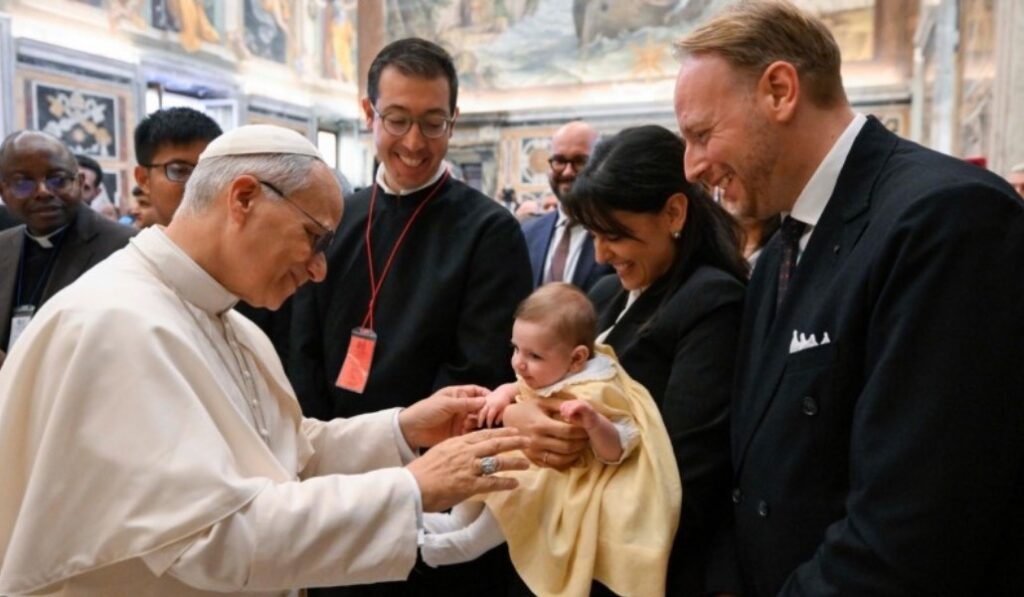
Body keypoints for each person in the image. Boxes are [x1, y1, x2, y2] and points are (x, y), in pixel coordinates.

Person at [0, 124, 531, 596]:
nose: (320, 268)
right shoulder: (116, 324)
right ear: (245, 198)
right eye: (314, 237)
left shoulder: (226, 320)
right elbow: (209, 539)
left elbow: (281, 454)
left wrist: (402, 429)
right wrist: (415, 486)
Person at [673, 2, 1024, 595]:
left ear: (780, 91)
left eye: (702, 134)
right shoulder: (781, 251)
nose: (693, 165)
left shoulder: (946, 219)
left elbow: (913, 526)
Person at [288, 37, 533, 596]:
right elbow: (301, 347)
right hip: (331, 485)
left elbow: (476, 371)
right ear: (368, 112)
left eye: (434, 123)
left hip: (428, 495)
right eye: (397, 120)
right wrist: (318, 458)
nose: (415, 143)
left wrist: (404, 472)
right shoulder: (334, 219)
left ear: (454, 119)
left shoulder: (489, 232)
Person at [552, 124, 747, 595]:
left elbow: (683, 473)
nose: (600, 254)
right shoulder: (606, 294)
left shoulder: (712, 302)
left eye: (614, 234)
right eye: (593, 234)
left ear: (674, 212)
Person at [420, 282, 681, 597]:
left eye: (533, 355)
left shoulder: (599, 389)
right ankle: (429, 527)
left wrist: (594, 423)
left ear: (576, 359)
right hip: (516, 459)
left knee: (491, 524)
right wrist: (502, 395)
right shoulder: (548, 370)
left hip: (547, 483)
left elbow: (622, 444)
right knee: (470, 491)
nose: (519, 363)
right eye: (515, 348)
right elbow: (518, 386)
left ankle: (438, 548)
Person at [0, 131, 135, 369]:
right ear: (4, 192)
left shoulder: (127, 246)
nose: (42, 191)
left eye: (57, 180)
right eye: (23, 183)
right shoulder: (3, 245)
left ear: (80, 183)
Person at [522, 121, 613, 291]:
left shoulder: (616, 230)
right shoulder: (528, 234)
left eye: (580, 161)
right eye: (559, 161)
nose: (568, 171)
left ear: (601, 164)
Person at [133, 106, 222, 227]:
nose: (198, 183)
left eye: (209, 171)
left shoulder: (244, 243)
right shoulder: (129, 245)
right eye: (180, 171)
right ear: (144, 179)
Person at [75, 154, 118, 220]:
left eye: (85, 188)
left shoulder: (102, 229)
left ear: (96, 193)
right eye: (72, 183)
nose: (75, 192)